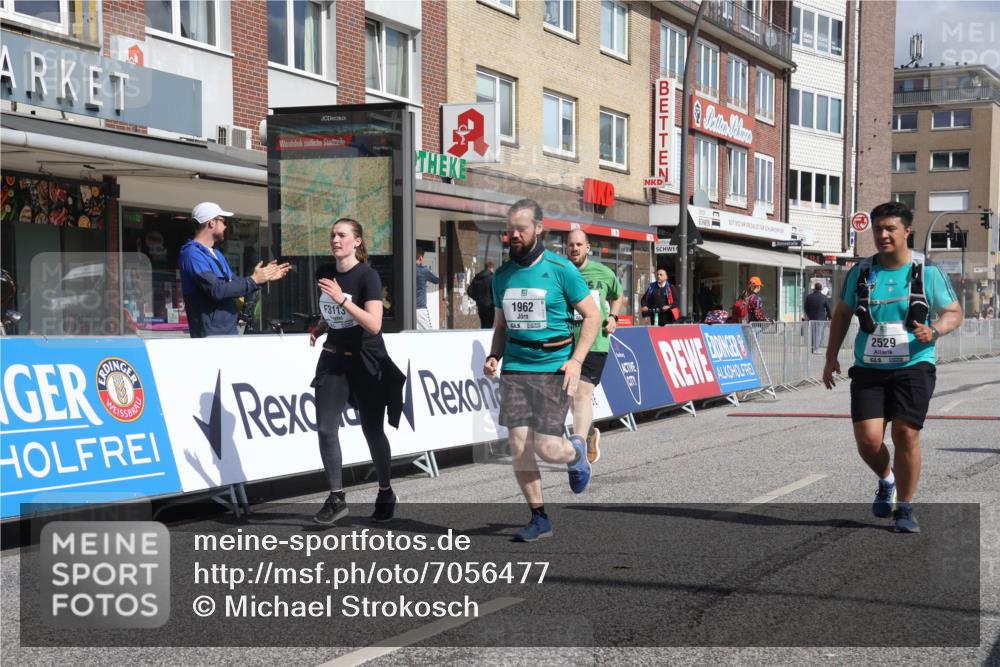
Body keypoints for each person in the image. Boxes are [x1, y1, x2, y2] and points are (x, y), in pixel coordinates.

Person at [823, 201, 962, 533]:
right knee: (869, 441)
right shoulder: (861, 271)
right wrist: (831, 358)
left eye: (890, 229)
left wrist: (936, 329)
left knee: (905, 433)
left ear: (907, 231)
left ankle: (905, 506)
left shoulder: (927, 271)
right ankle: (887, 481)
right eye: (878, 229)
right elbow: (843, 314)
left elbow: (954, 312)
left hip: (914, 364)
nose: (883, 235)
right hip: (869, 368)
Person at [484, 199, 600, 542]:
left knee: (548, 447)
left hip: (553, 365)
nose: (514, 234)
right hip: (516, 367)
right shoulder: (502, 275)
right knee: (519, 444)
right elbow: (502, 324)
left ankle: (576, 452)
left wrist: (576, 360)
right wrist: (494, 355)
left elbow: (592, 316)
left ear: (539, 229)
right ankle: (539, 518)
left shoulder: (561, 269)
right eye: (510, 229)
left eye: (521, 228)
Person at [309, 218, 406, 525]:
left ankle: (386, 490)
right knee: (325, 428)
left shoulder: (368, 276)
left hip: (367, 359)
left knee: (372, 430)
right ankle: (336, 498)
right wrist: (321, 325)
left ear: (357, 242)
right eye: (332, 235)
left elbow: (374, 323)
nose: (336, 240)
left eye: (342, 235)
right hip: (334, 358)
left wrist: (342, 299)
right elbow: (332, 313)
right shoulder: (323, 273)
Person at [178, 202, 290, 337]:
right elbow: (216, 290)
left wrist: (263, 278)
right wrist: (253, 280)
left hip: (227, 329)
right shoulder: (192, 254)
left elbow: (234, 284)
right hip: (210, 334)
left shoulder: (216, 253)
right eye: (223, 221)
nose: (226, 226)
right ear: (211, 223)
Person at [566, 229, 623, 463]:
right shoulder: (561, 272)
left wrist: (614, 318)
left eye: (580, 244)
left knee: (582, 391)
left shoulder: (604, 272)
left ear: (587, 248)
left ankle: (577, 447)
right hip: (568, 342)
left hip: (596, 342)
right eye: (571, 245)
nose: (575, 249)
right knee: (571, 397)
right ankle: (588, 433)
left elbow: (618, 296)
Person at [415, 249, 440, 330]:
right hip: (420, 309)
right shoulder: (423, 270)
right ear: (421, 258)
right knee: (428, 333)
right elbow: (436, 280)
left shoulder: (407, 270)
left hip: (408, 309)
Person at [804, 282, 832, 353]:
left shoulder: (809, 297)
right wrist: (830, 317)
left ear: (814, 288)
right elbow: (828, 308)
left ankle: (813, 348)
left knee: (813, 333)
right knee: (819, 334)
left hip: (812, 318)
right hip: (821, 319)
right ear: (821, 288)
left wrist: (809, 316)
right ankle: (816, 349)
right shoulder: (824, 297)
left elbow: (806, 308)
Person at [467, 260, 496, 328]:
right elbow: (495, 291)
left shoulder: (477, 277)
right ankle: (486, 338)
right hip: (489, 306)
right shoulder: (492, 278)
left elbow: (469, 291)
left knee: (483, 324)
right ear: (491, 268)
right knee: (489, 325)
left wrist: (477, 298)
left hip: (480, 305)